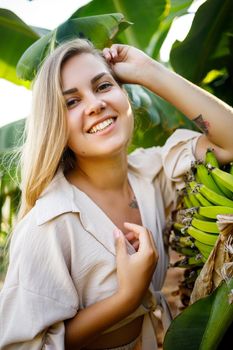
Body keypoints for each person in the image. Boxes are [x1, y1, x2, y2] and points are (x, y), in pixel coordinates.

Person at [0, 38, 233, 350]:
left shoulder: (152, 173)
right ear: (56, 126)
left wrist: (149, 70)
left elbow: (229, 143)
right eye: (71, 102)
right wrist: (126, 299)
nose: (95, 104)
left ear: (125, 95)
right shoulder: (50, 224)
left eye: (103, 86)